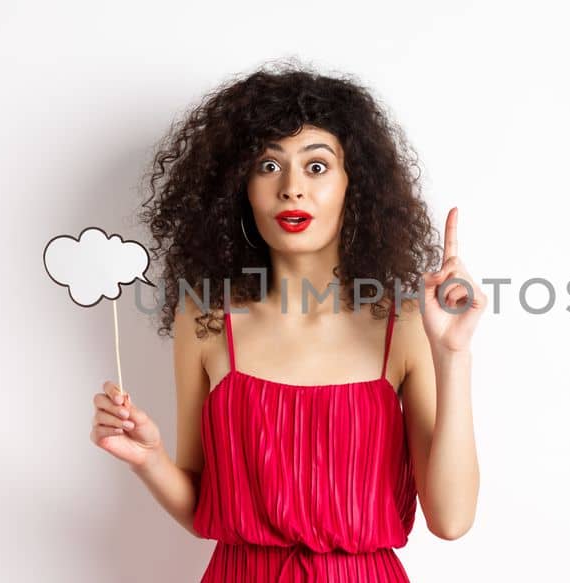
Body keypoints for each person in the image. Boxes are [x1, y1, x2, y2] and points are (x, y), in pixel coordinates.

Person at [90, 59, 485, 582]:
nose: (292, 189)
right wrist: (149, 459)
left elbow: (452, 520)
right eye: (269, 166)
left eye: (317, 166)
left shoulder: (405, 322)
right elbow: (206, 511)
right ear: (239, 186)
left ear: (354, 183)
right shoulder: (206, 317)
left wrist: (452, 355)